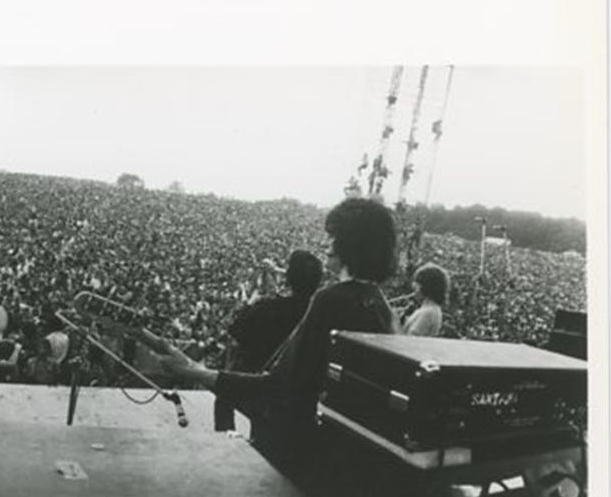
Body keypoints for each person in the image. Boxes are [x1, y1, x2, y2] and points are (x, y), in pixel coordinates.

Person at [151, 197, 399, 467]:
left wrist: (193, 371)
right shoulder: (381, 306)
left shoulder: (331, 300)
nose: (328, 246)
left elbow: (279, 388)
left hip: (296, 451)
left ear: (349, 245)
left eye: (333, 238)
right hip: (340, 455)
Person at [214, 250, 324, 432]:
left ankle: (225, 434)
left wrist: (253, 302)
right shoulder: (319, 314)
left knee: (227, 376)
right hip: (302, 395)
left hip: (261, 388)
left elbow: (236, 332)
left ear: (289, 278)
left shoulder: (268, 308)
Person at [403, 263, 448, 337]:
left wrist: (394, 322)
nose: (414, 289)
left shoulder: (428, 312)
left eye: (417, 285)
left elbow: (410, 340)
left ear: (425, 286)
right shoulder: (429, 309)